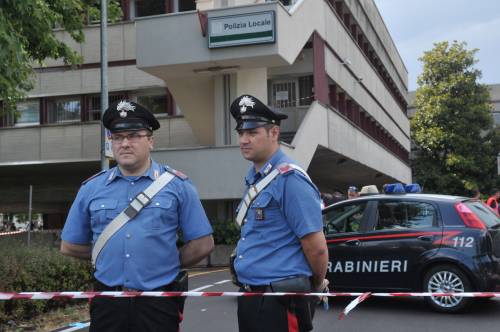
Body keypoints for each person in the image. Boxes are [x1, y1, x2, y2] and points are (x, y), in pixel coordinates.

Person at [60, 100, 214, 332]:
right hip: (107, 302)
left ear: (150, 140)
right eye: (117, 137)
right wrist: (110, 256)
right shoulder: (91, 188)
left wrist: (163, 263)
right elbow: (69, 246)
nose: (124, 143)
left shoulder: (177, 186)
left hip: (158, 302)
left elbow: (203, 244)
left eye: (133, 136)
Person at [230, 94, 329, 332]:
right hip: (252, 296)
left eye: (253, 133)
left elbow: (316, 247)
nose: (244, 139)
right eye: (241, 133)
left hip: (281, 300)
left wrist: (315, 285)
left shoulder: (289, 179)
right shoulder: (256, 178)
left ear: (274, 133)